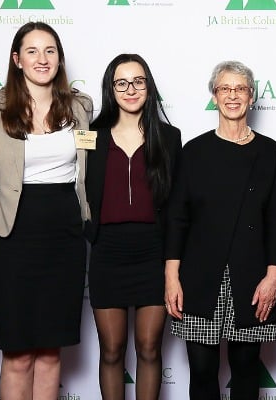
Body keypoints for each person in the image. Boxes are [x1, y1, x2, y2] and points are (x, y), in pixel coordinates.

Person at [0, 22, 92, 400]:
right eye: (32, 51)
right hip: (13, 233)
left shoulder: (79, 105)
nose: (42, 59)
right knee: (19, 352)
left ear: (59, 58)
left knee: (52, 350)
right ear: (16, 59)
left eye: (50, 50)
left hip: (66, 233)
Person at [164, 60, 276, 400]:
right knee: (202, 371)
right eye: (224, 88)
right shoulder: (194, 151)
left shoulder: (271, 153)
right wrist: (172, 276)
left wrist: (274, 277)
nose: (232, 95)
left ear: (251, 98)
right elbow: (177, 218)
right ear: (214, 96)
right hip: (200, 277)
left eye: (240, 89)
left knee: (246, 369)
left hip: (252, 278)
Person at [85, 53, 181, 400]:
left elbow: (176, 207)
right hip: (107, 252)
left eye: (138, 81)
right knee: (111, 350)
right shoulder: (91, 136)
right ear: (111, 89)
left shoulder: (169, 138)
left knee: (150, 348)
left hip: (152, 255)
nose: (130, 89)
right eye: (121, 82)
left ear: (148, 87)